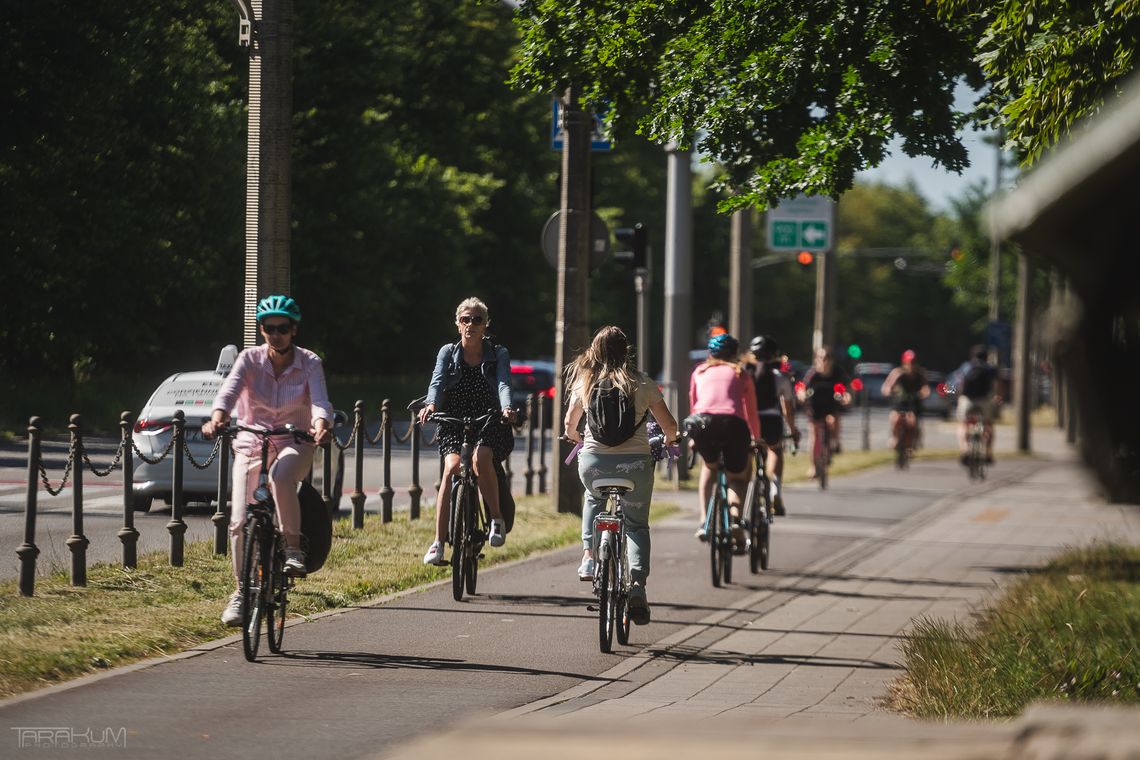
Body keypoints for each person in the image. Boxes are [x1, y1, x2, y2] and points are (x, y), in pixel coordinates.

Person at [202, 295, 334, 627]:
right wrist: (217, 419)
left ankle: (292, 550)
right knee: (238, 521)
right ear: (261, 330)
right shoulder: (248, 360)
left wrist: (320, 426)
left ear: (294, 330)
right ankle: (241, 592)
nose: (276, 335)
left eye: (283, 328)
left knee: (281, 477)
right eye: (269, 328)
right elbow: (228, 394)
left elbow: (319, 401)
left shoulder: (310, 363)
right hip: (251, 443)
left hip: (295, 442)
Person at [563, 326, 679, 625]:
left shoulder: (584, 382)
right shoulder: (642, 383)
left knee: (592, 496)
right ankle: (637, 586)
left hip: (594, 464)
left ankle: (589, 557)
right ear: (626, 351)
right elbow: (670, 426)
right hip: (635, 467)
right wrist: (669, 440)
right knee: (637, 526)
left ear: (595, 351)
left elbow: (569, 425)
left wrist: (577, 437)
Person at [417, 297, 514, 566]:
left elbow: (504, 384)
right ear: (458, 324)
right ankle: (438, 543)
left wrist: (506, 409)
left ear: (485, 325)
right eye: (465, 319)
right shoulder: (448, 352)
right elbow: (436, 382)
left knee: (480, 459)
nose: (471, 324)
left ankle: (496, 519)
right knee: (452, 468)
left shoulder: (498, 353)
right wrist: (431, 404)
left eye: (477, 320)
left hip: (489, 420)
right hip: (454, 420)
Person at [688, 333, 760, 544]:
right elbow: (751, 412)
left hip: (702, 424)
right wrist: (757, 438)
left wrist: (694, 438)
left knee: (709, 467)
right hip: (733, 425)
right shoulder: (741, 373)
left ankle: (704, 521)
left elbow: (694, 406)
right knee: (738, 477)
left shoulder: (699, 372)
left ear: (710, 354)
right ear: (735, 354)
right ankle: (736, 519)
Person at [746, 335, 799, 516]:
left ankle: (742, 496)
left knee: (747, 453)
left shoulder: (745, 374)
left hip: (749, 422)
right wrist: (793, 430)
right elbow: (788, 409)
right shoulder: (781, 377)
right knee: (775, 449)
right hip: (771, 420)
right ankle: (775, 489)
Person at [796, 346, 852, 478]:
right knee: (814, 435)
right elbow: (802, 387)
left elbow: (844, 389)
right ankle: (814, 466)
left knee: (834, 419)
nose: (823, 361)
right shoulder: (813, 373)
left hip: (831, 404)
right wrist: (802, 394)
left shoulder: (837, 372)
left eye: (826, 358)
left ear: (831, 360)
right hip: (815, 405)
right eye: (820, 358)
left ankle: (835, 441)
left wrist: (846, 397)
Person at [953, 345, 1001, 464]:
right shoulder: (990, 368)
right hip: (984, 401)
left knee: (963, 425)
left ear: (972, 356)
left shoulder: (965, 366)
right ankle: (988, 453)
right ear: (986, 357)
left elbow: (958, 383)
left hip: (967, 400)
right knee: (988, 425)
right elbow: (997, 385)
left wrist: (958, 396)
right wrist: (997, 396)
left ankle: (965, 450)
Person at [880, 349, 930, 455]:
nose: (910, 365)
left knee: (912, 421)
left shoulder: (920, 374)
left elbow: (926, 388)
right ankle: (895, 438)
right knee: (895, 419)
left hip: (913, 403)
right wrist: (888, 390)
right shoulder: (898, 373)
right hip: (900, 402)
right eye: (908, 362)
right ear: (904, 362)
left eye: (912, 362)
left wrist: (923, 393)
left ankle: (910, 444)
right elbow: (887, 385)